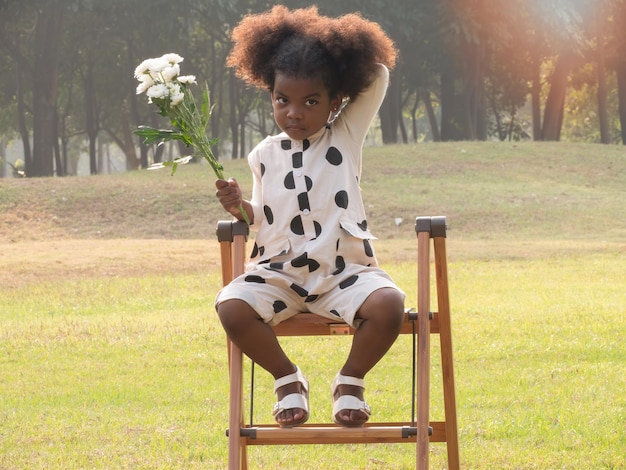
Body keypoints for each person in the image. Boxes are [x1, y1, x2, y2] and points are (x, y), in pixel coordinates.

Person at [214, 5, 405, 428]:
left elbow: (377, 73)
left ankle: (350, 382)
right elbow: (261, 217)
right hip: (278, 273)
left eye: (310, 101)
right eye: (282, 100)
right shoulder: (262, 154)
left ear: (335, 102)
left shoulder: (345, 134)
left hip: (341, 273)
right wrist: (238, 208)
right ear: (271, 95)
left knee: (390, 303)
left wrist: (333, 51)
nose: (294, 112)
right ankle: (287, 380)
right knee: (230, 306)